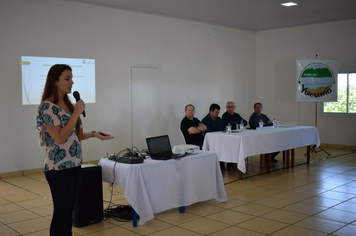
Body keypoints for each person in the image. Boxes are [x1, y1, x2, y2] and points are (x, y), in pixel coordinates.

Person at [36, 64, 114, 236]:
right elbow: (59, 137)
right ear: (55, 81)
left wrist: (94, 134)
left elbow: (73, 136)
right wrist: (76, 114)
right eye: (67, 78)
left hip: (74, 165)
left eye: (71, 78)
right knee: (61, 213)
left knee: (69, 212)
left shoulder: (67, 104)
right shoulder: (47, 107)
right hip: (58, 168)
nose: (72, 82)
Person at [222, 101, 248, 169]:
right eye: (229, 107)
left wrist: (237, 122)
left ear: (234, 107)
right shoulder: (225, 115)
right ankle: (231, 163)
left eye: (232, 107)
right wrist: (238, 122)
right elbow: (230, 124)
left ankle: (239, 161)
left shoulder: (237, 115)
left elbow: (245, 123)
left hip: (237, 134)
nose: (231, 108)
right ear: (226, 107)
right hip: (229, 136)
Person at [202, 103, 226, 170]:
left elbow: (223, 128)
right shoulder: (205, 120)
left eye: (218, 112)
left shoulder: (219, 119)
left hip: (221, 139)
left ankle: (227, 164)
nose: (217, 114)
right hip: (211, 141)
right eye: (216, 112)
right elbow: (210, 131)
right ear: (211, 111)